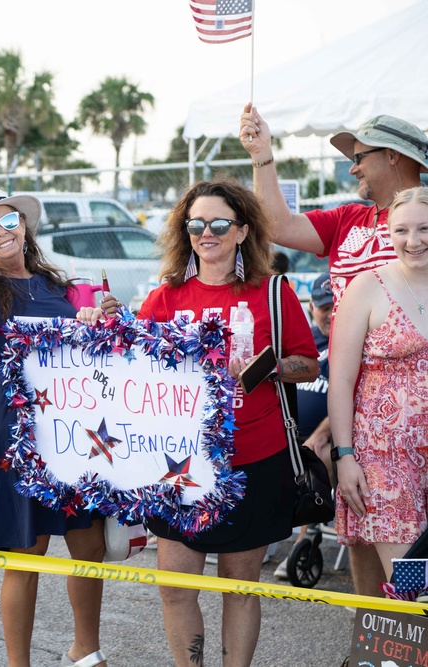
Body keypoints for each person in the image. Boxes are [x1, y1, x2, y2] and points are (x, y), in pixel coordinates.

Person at [239, 107, 428, 598]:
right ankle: (373, 647)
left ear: (394, 157)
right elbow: (278, 225)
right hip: (360, 414)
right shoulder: (348, 218)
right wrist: (263, 157)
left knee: (410, 555)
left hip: (412, 412)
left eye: (360, 156)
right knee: (367, 536)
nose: (353, 168)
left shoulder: (422, 222)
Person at [136, 181, 318, 667]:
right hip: (180, 465)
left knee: (238, 589)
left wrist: (267, 368)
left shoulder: (273, 292)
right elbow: (131, 373)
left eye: (219, 224)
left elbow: (308, 363)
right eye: (196, 225)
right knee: (176, 590)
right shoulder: (165, 297)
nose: (206, 233)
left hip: (254, 460)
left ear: (242, 231)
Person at [0, 185, 107, 667]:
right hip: (13, 425)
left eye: (8, 221)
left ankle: (86, 649)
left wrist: (101, 320)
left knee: (89, 544)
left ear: (23, 224)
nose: (2, 234)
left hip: (71, 423)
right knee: (25, 550)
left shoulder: (60, 285)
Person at [329, 186, 428, 580]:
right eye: (402, 230)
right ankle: (394, 643)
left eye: (424, 228)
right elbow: (341, 379)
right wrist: (345, 455)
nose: (413, 240)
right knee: (412, 583)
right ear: (388, 232)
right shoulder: (367, 287)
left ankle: (378, 645)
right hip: (385, 458)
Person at [273, 273, 333, 580]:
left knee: (315, 457)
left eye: (337, 305)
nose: (330, 313)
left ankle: (305, 541)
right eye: (324, 306)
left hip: (326, 440)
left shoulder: (351, 341)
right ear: (312, 307)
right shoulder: (303, 340)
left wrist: (322, 435)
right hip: (288, 435)